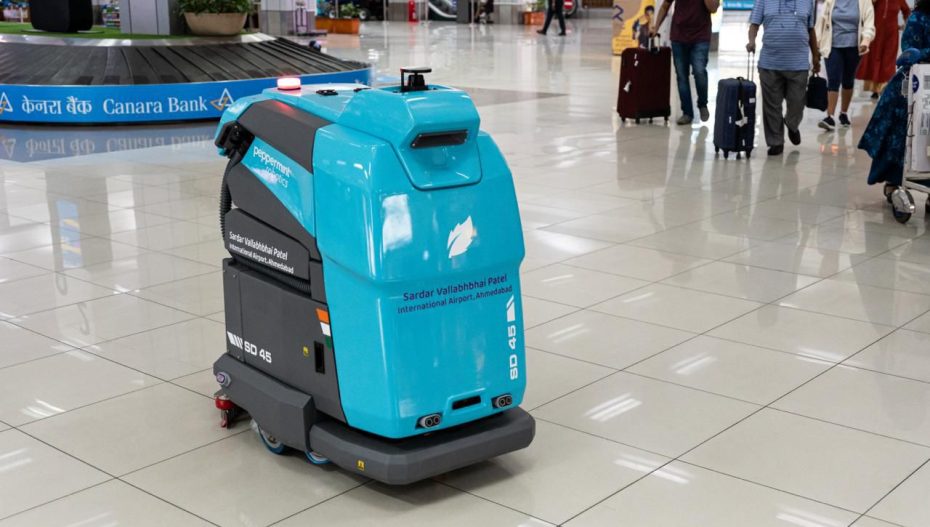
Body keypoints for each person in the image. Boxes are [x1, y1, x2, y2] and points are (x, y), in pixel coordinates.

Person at [859, 2, 930, 191]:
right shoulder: (919, 18)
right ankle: (894, 180)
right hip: (915, 84)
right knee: (903, 133)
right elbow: (909, 50)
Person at [747, 0, 821, 156]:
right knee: (772, 105)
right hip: (770, 62)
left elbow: (810, 29)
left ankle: (792, 124)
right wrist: (751, 41)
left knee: (797, 102)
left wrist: (815, 56)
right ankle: (776, 142)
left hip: (798, 64)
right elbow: (754, 24)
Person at [651, 0, 720, 125]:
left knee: (699, 71)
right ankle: (687, 112)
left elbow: (713, 8)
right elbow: (665, 6)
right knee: (682, 76)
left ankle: (702, 104)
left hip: (700, 36)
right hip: (679, 36)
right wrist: (656, 28)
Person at [815, 0, 875, 130]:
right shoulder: (830, 1)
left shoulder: (864, 2)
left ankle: (843, 113)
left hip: (854, 47)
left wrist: (866, 40)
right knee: (833, 80)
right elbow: (821, 21)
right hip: (832, 45)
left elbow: (869, 24)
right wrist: (817, 41)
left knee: (848, 80)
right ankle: (830, 117)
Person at [856, 0, 911, 98]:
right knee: (874, 59)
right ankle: (875, 89)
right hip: (875, 34)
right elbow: (865, 10)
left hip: (891, 35)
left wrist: (907, 26)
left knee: (888, 61)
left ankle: (885, 88)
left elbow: (906, 11)